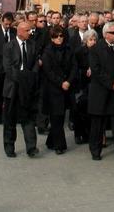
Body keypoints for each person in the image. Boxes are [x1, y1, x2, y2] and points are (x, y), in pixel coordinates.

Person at [87, 21, 114, 163]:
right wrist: (110, 83)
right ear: (106, 34)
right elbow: (96, 70)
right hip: (100, 91)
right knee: (98, 124)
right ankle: (95, 150)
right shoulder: (96, 49)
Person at [2, 19, 39, 158]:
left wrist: (30, 78)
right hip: (13, 87)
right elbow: (8, 68)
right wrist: (22, 77)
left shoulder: (32, 45)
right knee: (10, 119)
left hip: (27, 87)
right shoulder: (8, 47)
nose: (30, 32)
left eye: (31, 30)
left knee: (28, 117)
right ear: (20, 31)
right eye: (28, 30)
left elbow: (35, 63)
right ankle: (9, 146)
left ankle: (31, 147)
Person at [41, 25, 77, 154]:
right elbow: (48, 71)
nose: (59, 38)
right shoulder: (47, 52)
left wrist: (68, 81)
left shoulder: (69, 49)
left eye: (61, 36)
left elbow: (74, 66)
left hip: (67, 87)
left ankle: (51, 141)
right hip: (53, 88)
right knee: (56, 116)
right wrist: (61, 82)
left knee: (60, 116)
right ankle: (59, 145)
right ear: (51, 38)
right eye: (56, 36)